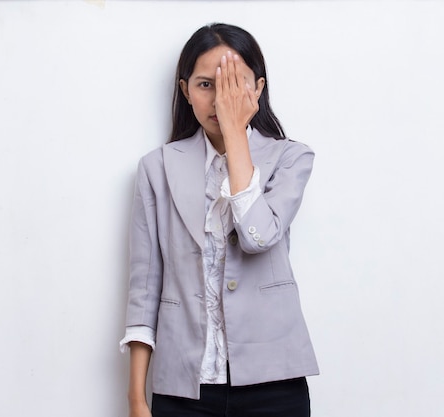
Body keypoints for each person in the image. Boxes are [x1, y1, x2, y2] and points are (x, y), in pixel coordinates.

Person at [120, 23, 319, 417]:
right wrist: (136, 398)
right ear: (185, 91)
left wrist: (234, 132)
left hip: (273, 382)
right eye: (207, 85)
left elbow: (257, 237)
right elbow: (145, 289)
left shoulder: (291, 159)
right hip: (182, 387)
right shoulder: (155, 169)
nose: (219, 99)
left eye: (234, 84)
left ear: (258, 90)